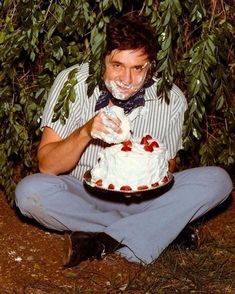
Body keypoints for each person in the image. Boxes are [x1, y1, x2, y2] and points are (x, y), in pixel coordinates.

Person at [15, 14, 233, 267]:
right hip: (83, 197)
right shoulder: (71, 83)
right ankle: (160, 229)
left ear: (151, 65)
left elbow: (169, 166)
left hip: (145, 200)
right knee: (30, 192)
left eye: (138, 68)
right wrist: (85, 131)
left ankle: (103, 241)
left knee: (218, 180)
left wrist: (140, 163)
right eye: (117, 65)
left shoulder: (172, 99)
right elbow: (47, 165)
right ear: (100, 59)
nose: (127, 80)